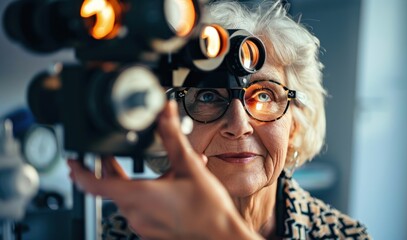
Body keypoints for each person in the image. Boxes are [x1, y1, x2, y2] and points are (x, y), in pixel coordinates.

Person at [68, 1, 371, 239]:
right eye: (208, 97)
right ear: (167, 124)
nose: (239, 125)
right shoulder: (119, 235)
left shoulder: (345, 237)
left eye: (264, 95)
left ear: (295, 122)